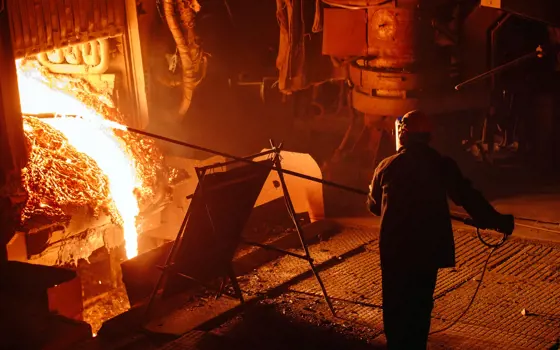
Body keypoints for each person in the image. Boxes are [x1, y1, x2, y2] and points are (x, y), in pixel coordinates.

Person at [366, 110, 514, 350]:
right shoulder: (441, 165)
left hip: (395, 252)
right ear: (429, 137)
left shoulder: (386, 166)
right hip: (428, 251)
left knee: (395, 307)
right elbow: (467, 197)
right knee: (420, 305)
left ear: (402, 136)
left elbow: (373, 207)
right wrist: (497, 220)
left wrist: (374, 190)